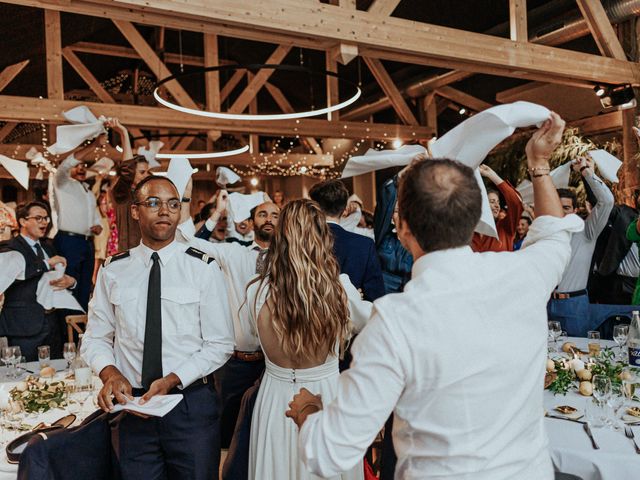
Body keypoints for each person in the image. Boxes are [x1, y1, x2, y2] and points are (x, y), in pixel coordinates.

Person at [286, 113, 584, 480]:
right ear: (475, 215)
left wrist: (307, 411)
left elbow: (328, 452)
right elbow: (554, 233)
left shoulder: (396, 320)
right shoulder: (524, 275)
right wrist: (538, 164)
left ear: (402, 228)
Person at [81, 175, 234, 480]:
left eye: (173, 204)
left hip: (190, 405)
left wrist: (173, 379)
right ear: (135, 211)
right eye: (153, 202)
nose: (164, 210)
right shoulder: (114, 269)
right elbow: (95, 337)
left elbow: (220, 343)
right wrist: (110, 373)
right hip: (133, 407)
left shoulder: (203, 267)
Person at [246, 198, 364, 480]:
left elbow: (252, 337)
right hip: (326, 394)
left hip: (275, 398)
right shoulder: (339, 291)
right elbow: (368, 323)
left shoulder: (256, 292)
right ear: (322, 237)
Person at [547, 157, 635, 336]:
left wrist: (586, 171)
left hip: (574, 304)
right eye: (557, 207)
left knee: (575, 355)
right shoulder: (544, 235)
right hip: (545, 303)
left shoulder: (586, 231)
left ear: (574, 210)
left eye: (566, 207)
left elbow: (606, 202)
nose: (561, 212)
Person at [0, 202, 76, 361]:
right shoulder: (10, 247)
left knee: (54, 375)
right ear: (23, 221)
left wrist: (70, 282)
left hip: (52, 324)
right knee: (25, 378)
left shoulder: (48, 248)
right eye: (38, 218)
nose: (44, 222)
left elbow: (55, 278)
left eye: (46, 218)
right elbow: (20, 271)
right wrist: (47, 263)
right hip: (24, 326)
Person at [309, 180, 385, 302]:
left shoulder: (302, 241)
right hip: (352, 318)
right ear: (344, 210)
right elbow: (376, 296)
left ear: (314, 207)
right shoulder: (364, 245)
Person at [109, 119, 151, 251]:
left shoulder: (146, 194)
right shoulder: (122, 193)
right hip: (129, 254)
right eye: (142, 172)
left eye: (147, 172)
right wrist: (124, 133)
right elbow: (127, 171)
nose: (146, 175)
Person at [472, 164, 523, 252]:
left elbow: (516, 202)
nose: (497, 206)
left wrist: (492, 175)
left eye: (498, 202)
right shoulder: (466, 233)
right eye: (492, 202)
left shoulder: (505, 228)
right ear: (480, 204)